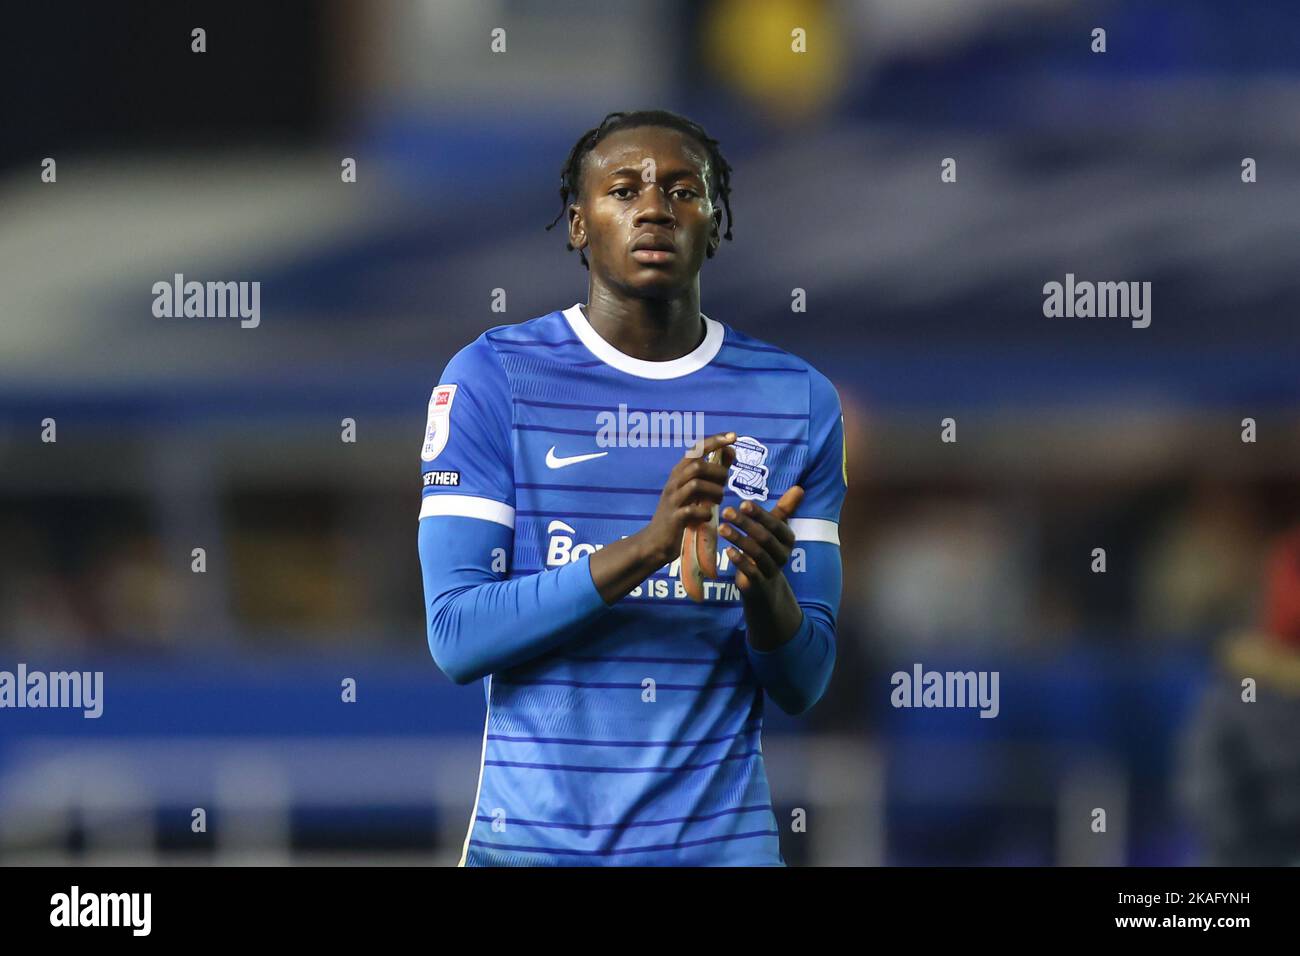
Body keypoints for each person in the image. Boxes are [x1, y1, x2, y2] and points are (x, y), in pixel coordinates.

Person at [417, 110, 846, 865]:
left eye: (684, 191)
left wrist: (763, 587)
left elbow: (804, 683)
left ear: (717, 223)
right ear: (579, 225)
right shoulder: (494, 379)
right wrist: (649, 548)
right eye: (624, 190)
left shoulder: (796, 400)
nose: (654, 207)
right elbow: (457, 637)